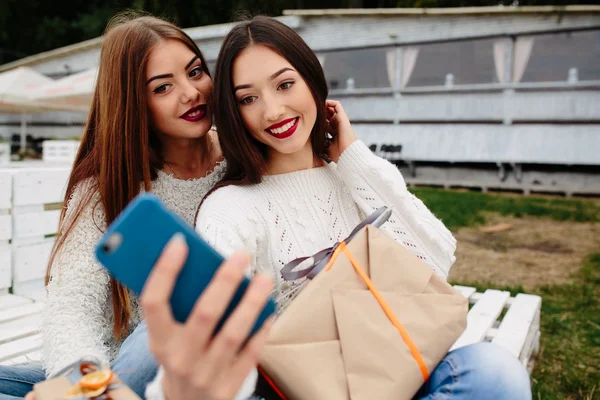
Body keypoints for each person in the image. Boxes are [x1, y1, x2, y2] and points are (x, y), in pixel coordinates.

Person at [189, 16, 532, 399]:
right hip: (309, 389)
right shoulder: (230, 208)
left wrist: (355, 161)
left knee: (495, 373)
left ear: (312, 81)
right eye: (248, 99)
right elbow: (218, 336)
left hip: (399, 365)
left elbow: (437, 264)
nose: (272, 111)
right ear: (234, 113)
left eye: (285, 84)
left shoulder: (353, 175)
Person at [1, 13, 271, 400]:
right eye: (163, 88)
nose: (191, 92)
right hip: (118, 368)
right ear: (134, 102)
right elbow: (72, 308)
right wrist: (94, 387)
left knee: (164, 329)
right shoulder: (108, 186)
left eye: (195, 72)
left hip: (204, 364)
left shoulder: (241, 159)